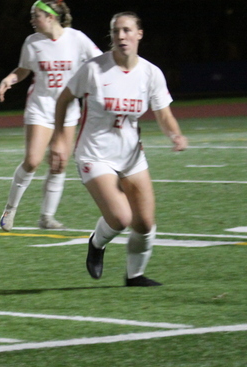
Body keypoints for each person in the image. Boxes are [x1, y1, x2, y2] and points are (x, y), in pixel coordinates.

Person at [50, 11, 188, 286]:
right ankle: (96, 244)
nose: (121, 36)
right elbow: (64, 99)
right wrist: (59, 139)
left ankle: (134, 276)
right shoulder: (93, 69)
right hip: (94, 154)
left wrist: (176, 135)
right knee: (121, 217)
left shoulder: (150, 73)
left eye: (126, 30)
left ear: (139, 34)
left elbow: (163, 114)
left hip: (131, 156)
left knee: (145, 224)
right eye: (116, 31)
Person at [0, 0, 100, 231]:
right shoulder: (32, 42)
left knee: (59, 163)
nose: (33, 20)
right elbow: (23, 70)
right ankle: (10, 209)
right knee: (33, 161)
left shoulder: (77, 39)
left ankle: (46, 217)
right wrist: (9, 79)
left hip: (69, 109)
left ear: (51, 17)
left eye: (37, 16)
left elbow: (98, 62)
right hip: (41, 108)